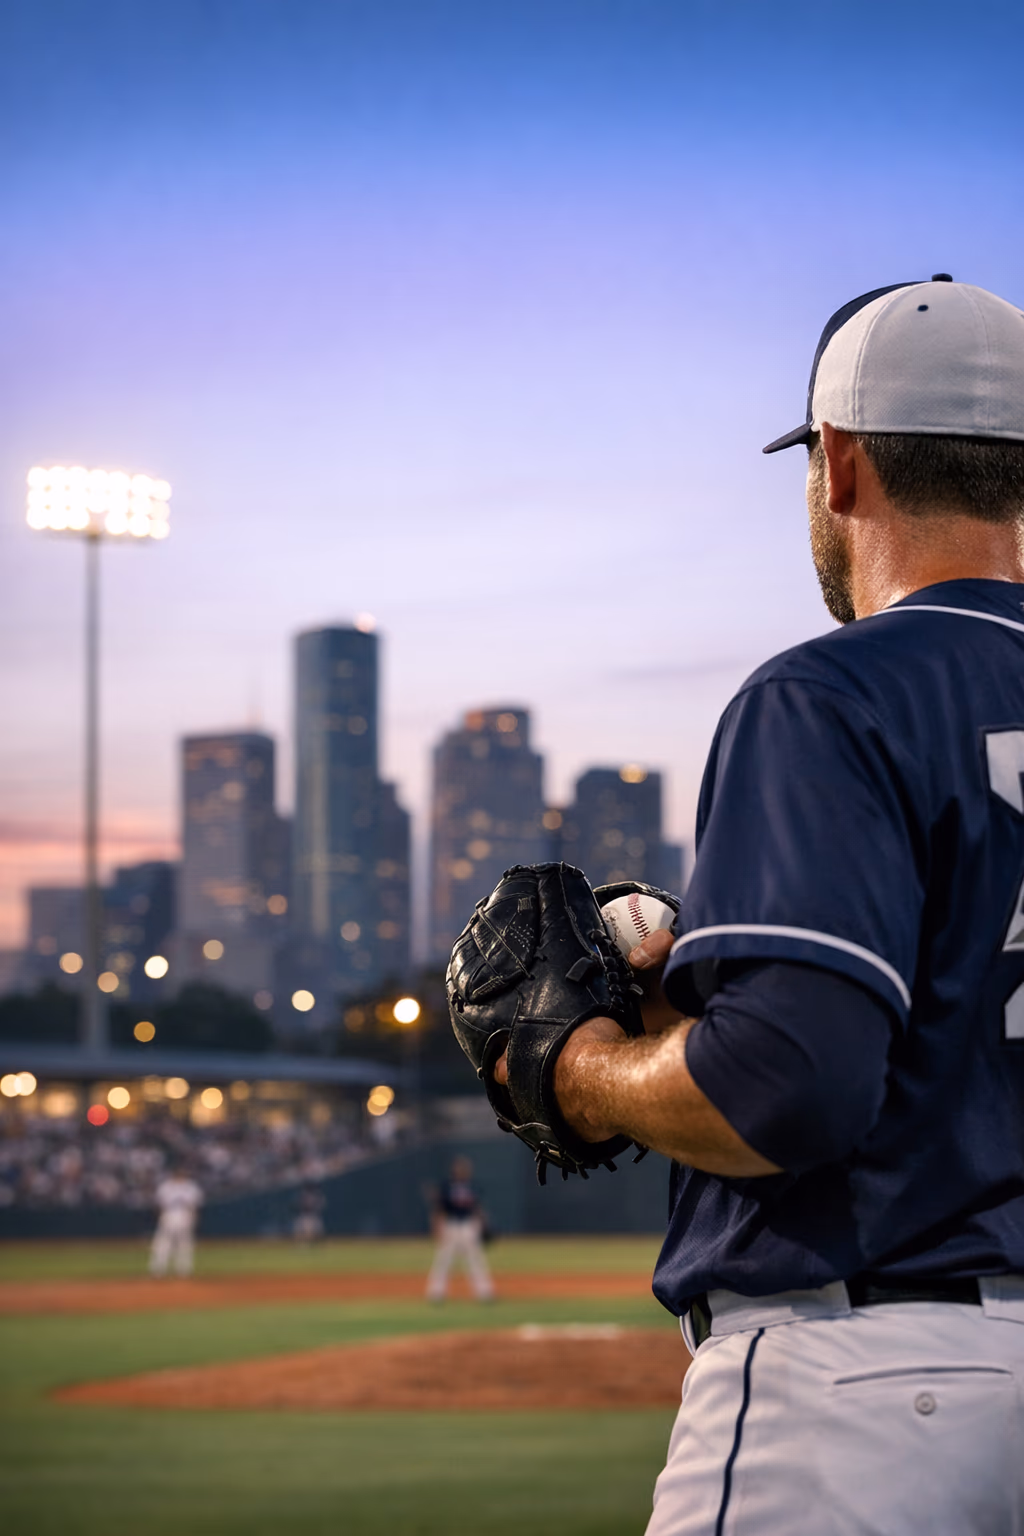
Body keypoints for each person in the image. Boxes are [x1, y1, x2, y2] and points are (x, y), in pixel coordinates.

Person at [499, 277, 1024, 1532]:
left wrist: (577, 1066)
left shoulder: (831, 695)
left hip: (872, 1393)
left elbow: (783, 1089)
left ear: (837, 464)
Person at [425, 1155, 495, 1302]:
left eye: (464, 1168)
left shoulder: (473, 1185)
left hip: (468, 1225)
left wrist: (484, 1224)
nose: (462, 1170)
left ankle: (484, 1292)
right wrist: (436, 1227)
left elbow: (477, 1207)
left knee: (475, 1259)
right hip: (451, 1225)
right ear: (454, 1170)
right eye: (459, 1168)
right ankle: (436, 1293)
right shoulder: (447, 1186)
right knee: (444, 1259)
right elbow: (439, 1208)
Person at [149, 1163, 203, 1278]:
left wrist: (193, 1217)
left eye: (183, 1172)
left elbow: (194, 1205)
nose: (181, 1174)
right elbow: (160, 1204)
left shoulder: (190, 1186)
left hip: (185, 1215)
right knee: (163, 1243)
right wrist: (162, 1217)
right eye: (179, 1172)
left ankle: (183, 1270)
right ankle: (158, 1269)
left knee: (184, 1244)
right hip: (169, 1214)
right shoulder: (166, 1186)